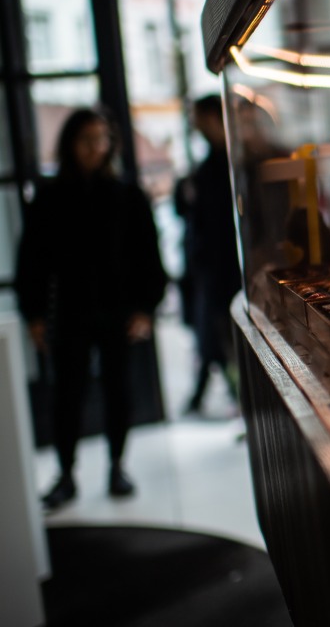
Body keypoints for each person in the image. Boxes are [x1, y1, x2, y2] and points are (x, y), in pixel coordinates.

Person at [16, 107, 167, 509]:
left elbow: (148, 258)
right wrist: (33, 315)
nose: (95, 147)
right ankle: (66, 473)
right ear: (71, 143)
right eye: (87, 139)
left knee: (119, 390)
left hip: (118, 310)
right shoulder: (50, 197)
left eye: (101, 139)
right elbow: (31, 261)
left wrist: (145, 308)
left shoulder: (126, 195)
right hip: (69, 311)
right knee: (68, 393)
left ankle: (117, 465)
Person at [176, 95, 241, 416]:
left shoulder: (231, 163)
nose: (197, 128)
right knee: (217, 339)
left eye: (200, 121)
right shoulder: (207, 168)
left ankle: (240, 401)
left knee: (224, 339)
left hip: (230, 271)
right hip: (215, 274)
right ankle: (240, 402)